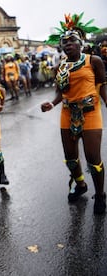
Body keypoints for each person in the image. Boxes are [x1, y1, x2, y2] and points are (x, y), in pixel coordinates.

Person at [41, 13, 107, 214]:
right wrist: (52, 104)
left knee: (93, 158)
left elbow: (102, 87)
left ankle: (100, 195)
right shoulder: (59, 67)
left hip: (90, 112)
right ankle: (80, 184)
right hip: (68, 113)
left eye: (72, 41)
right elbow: (60, 92)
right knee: (70, 157)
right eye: (64, 42)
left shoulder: (93, 61)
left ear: (81, 43)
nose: (67, 45)